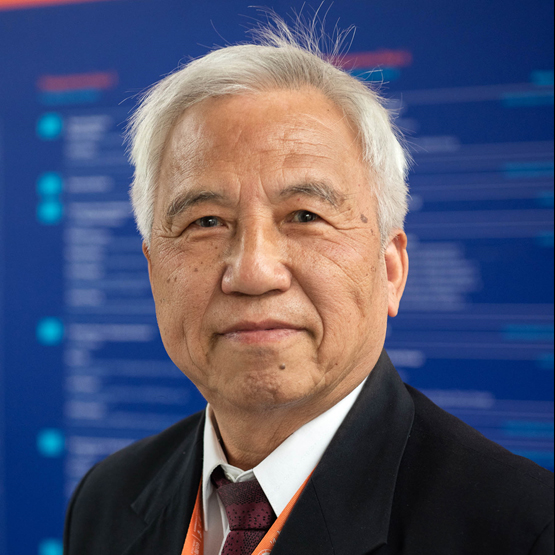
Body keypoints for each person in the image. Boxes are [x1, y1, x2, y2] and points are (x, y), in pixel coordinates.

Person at [63, 17, 554, 555]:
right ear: (154, 272)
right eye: (205, 222)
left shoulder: (522, 531)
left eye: (304, 216)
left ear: (390, 269)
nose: (253, 272)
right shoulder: (106, 499)